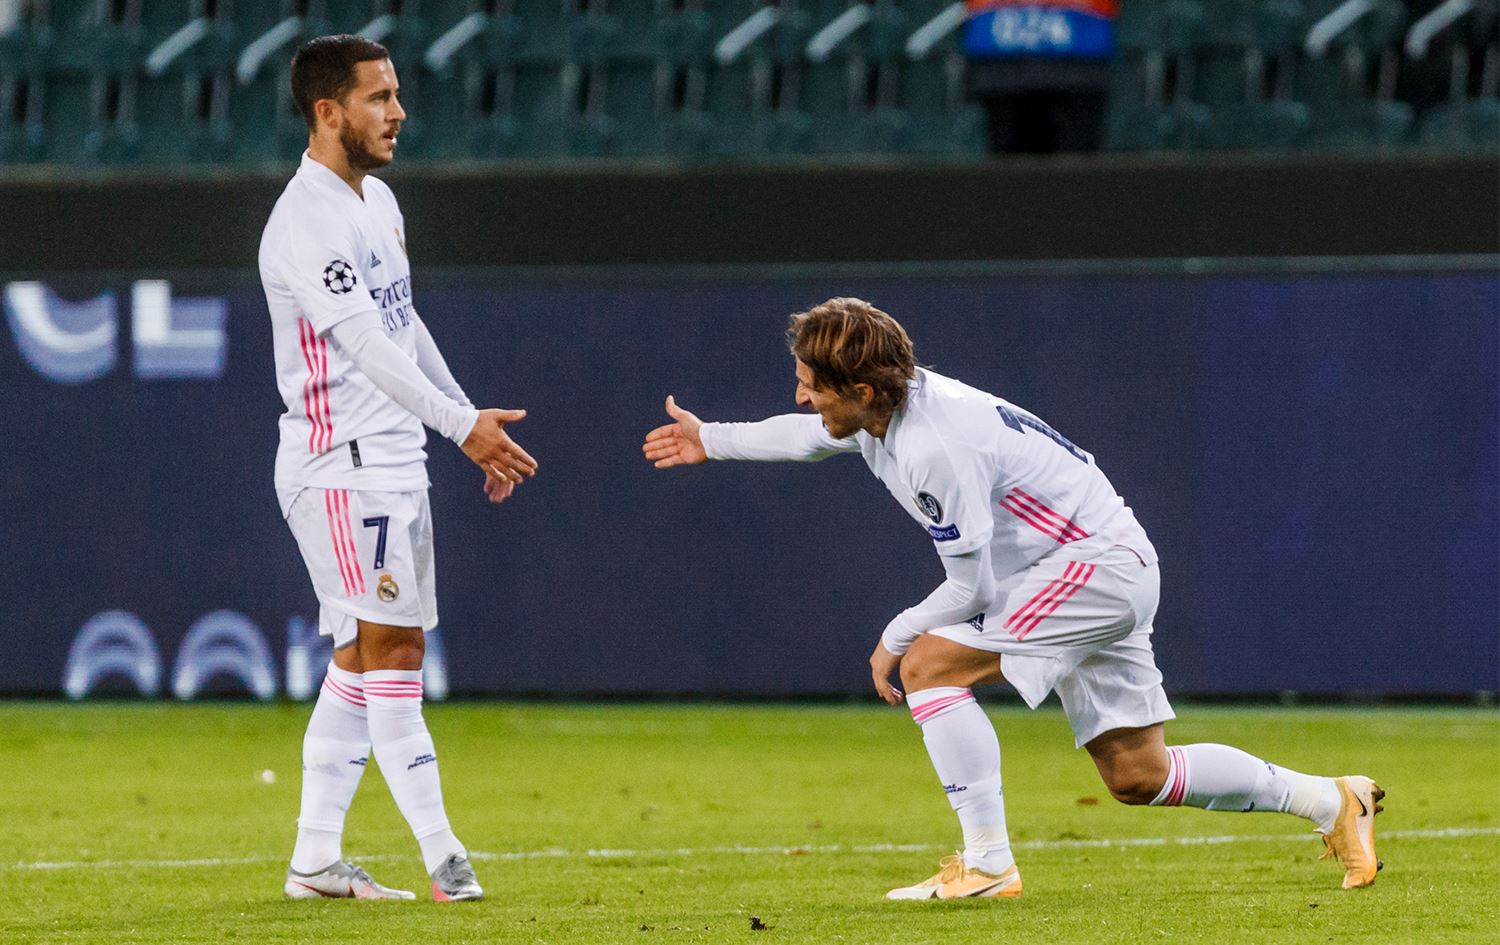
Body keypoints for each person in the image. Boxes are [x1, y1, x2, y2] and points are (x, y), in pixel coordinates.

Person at [642, 297, 1382, 899]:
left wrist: (895, 635)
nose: (801, 394)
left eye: (812, 383)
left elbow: (973, 588)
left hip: (1091, 568)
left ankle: (988, 864)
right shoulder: (889, 408)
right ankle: (1332, 800)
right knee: (1138, 775)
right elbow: (808, 436)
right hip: (1101, 564)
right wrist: (713, 438)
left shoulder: (934, 447)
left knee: (927, 664)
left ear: (861, 389)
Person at [259, 34, 537, 902]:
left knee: (359, 655)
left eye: (397, 93)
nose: (399, 112)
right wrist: (460, 429)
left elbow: (403, 324)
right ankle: (445, 857)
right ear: (327, 111)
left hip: (394, 460)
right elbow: (363, 345)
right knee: (395, 647)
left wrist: (467, 416)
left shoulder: (376, 201)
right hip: (340, 467)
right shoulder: (306, 222)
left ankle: (314, 861)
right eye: (378, 97)